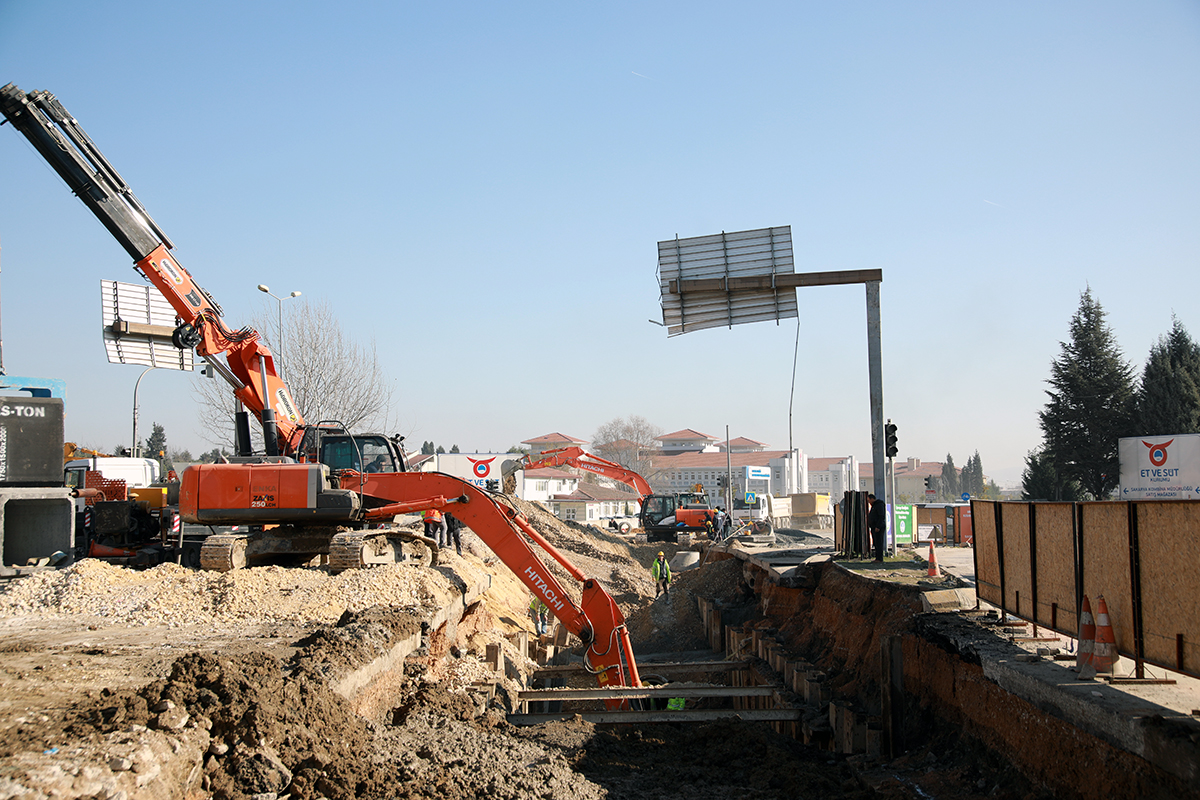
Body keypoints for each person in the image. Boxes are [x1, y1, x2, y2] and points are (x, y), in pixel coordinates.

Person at [867, 494, 887, 562]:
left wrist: (878, 526)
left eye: (869, 500)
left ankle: (879, 558)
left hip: (878, 527)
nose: (868, 502)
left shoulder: (879, 505)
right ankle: (877, 558)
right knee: (876, 543)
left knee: (879, 543)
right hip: (874, 527)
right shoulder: (874, 506)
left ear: (872, 499)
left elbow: (881, 516)